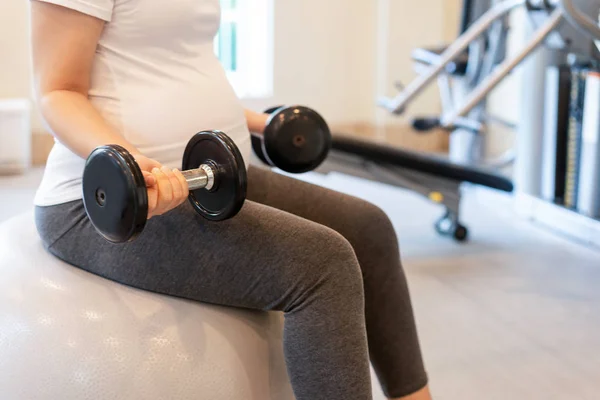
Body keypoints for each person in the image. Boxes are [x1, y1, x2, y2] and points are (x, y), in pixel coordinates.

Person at [30, 1, 433, 399]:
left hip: (211, 177)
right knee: (323, 264)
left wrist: (262, 123)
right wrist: (134, 166)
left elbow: (174, 66)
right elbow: (57, 91)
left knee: (368, 227)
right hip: (110, 203)